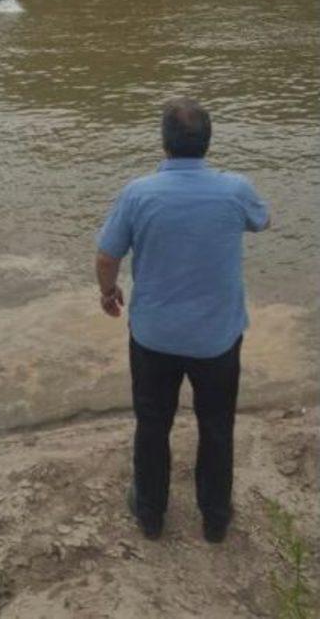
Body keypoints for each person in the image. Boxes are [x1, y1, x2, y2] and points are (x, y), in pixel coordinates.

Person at [95, 97, 269, 544]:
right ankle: (214, 518)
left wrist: (108, 292)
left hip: (154, 336)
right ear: (208, 143)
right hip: (217, 337)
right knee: (217, 426)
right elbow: (263, 221)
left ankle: (151, 514)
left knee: (152, 424)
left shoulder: (138, 192)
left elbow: (107, 254)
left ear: (164, 143)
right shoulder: (235, 189)